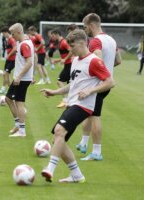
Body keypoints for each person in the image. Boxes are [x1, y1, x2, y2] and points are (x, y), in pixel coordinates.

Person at [40, 29, 115, 183]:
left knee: (59, 131)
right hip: (72, 103)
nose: (70, 49)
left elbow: (110, 82)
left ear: (82, 43)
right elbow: (72, 85)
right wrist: (54, 92)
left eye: (72, 46)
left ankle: (50, 169)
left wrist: (90, 90)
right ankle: (77, 174)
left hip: (84, 106)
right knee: (57, 138)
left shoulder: (94, 61)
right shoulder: (75, 60)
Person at [76, 13, 121, 160]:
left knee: (95, 116)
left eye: (85, 27)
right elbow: (118, 60)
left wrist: (97, 72)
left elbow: (98, 60)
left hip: (97, 85)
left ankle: (96, 152)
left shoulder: (95, 41)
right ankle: (83, 143)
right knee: (89, 113)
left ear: (92, 25)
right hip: (105, 84)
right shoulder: (111, 39)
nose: (85, 30)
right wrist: (107, 70)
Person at [5, 23, 34, 137]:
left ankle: (22, 131)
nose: (12, 36)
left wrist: (19, 77)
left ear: (18, 32)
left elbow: (29, 63)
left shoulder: (24, 44)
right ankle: (18, 125)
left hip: (21, 79)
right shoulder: (23, 41)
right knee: (8, 99)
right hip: (21, 77)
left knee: (19, 103)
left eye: (13, 34)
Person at [51, 29, 74, 108]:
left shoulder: (63, 42)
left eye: (53, 35)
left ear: (57, 34)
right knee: (69, 84)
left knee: (59, 81)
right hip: (68, 64)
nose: (52, 37)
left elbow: (71, 51)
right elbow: (65, 56)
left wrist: (64, 59)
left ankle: (65, 100)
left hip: (70, 64)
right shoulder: (60, 42)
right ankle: (70, 101)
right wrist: (58, 60)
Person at [0, 26, 17, 94]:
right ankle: (8, 90)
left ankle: (7, 89)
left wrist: (8, 55)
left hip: (12, 60)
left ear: (6, 32)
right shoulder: (7, 39)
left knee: (5, 74)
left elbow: (15, 48)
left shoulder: (11, 39)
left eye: (3, 34)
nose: (3, 35)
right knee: (6, 75)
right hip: (9, 59)